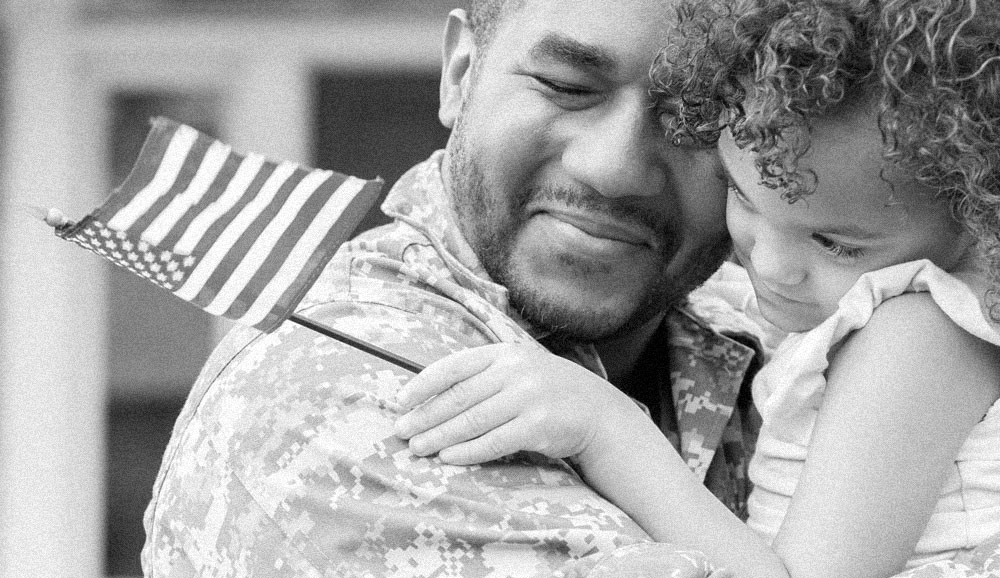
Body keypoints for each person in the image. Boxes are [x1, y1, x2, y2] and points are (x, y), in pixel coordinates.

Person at [140, 0, 774, 576]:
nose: (614, 168)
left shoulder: (781, 350)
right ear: (459, 71)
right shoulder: (341, 386)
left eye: (698, 116)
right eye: (567, 87)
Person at [393, 0, 1000, 577]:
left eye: (835, 244)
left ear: (977, 214)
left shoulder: (915, 337)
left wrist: (608, 429)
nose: (770, 265)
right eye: (745, 199)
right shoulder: (860, 297)